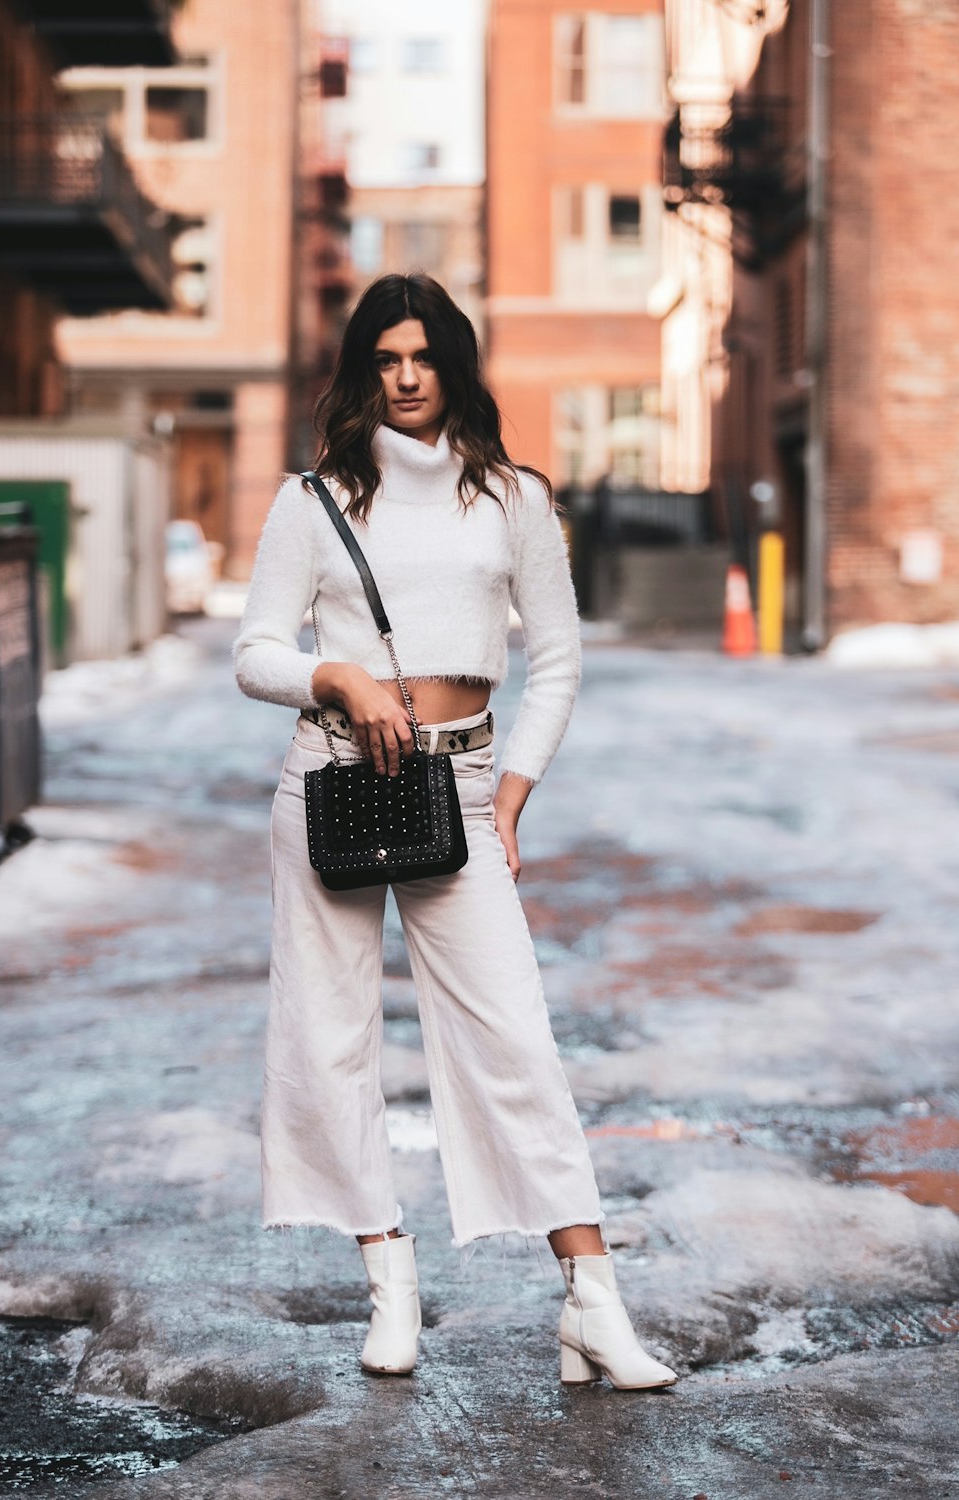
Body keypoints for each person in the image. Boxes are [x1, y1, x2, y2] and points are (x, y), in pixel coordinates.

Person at [234, 273, 676, 1391]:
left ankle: (590, 1299)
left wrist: (516, 786)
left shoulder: (512, 498)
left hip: (463, 788)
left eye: (424, 356)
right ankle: (389, 1277)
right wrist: (331, 672)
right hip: (327, 783)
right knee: (327, 1039)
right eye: (384, 359)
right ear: (361, 371)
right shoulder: (315, 498)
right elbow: (253, 653)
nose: (406, 377)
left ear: (457, 363)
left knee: (513, 1038)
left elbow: (559, 660)